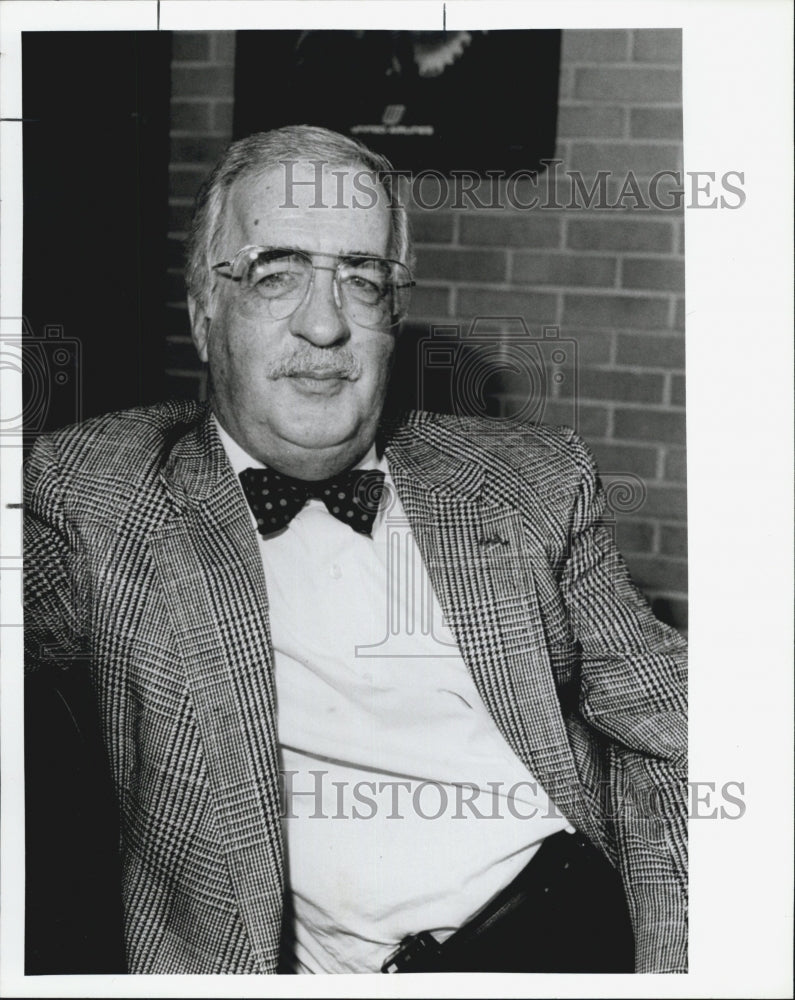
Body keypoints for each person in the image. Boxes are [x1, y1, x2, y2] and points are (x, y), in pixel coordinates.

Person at [24, 125, 687, 975]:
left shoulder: (530, 482)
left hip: (569, 935)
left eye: (362, 280)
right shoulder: (95, 491)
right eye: (277, 274)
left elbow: (674, 731)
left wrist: (673, 969)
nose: (325, 324)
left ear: (392, 319)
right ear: (203, 313)